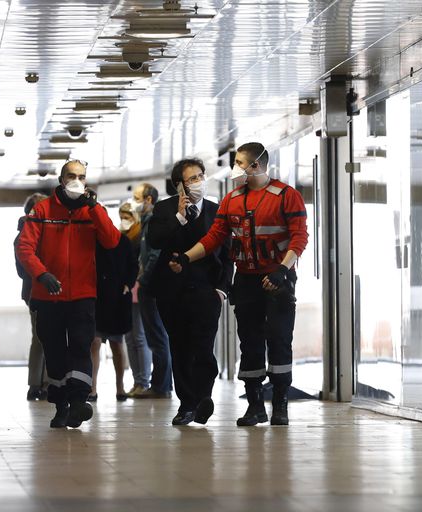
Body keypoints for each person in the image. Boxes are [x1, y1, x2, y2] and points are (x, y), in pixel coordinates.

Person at [170, 142, 308, 426]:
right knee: (250, 342)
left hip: (278, 278)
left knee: (280, 339)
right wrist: (187, 257)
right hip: (246, 280)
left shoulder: (286, 196)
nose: (236, 169)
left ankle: (280, 404)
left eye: (240, 163)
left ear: (255, 165)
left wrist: (283, 270)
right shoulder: (232, 199)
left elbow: (299, 237)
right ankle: (255, 405)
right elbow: (214, 237)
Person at [15, 159, 121, 428]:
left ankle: (78, 402)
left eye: (82, 176)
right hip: (47, 295)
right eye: (71, 176)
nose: (77, 180)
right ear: (62, 180)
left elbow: (111, 240)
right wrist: (42, 274)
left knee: (81, 346)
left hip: (83, 294)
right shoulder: (42, 210)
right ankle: (61, 404)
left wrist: (94, 207)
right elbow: (25, 248)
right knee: (55, 352)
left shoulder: (91, 210)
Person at [147, 159, 233, 425]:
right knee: (180, 347)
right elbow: (155, 240)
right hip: (172, 292)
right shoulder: (164, 209)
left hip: (207, 291)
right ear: (179, 186)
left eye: (200, 176)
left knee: (203, 345)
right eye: (192, 178)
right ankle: (187, 404)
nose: (198, 182)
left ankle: (203, 398)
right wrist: (180, 218)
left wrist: (222, 289)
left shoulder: (216, 211)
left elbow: (228, 254)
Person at [88, 203, 139, 402]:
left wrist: (127, 284)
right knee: (95, 343)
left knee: (118, 344)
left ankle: (120, 386)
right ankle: (92, 388)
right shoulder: (91, 242)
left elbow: (133, 265)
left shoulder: (123, 241)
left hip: (118, 298)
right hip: (97, 298)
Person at [132, 183, 173, 400]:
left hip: (153, 286)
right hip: (149, 285)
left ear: (149, 199)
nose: (134, 202)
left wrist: (144, 279)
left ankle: (161, 386)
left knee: (158, 337)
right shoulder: (145, 222)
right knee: (155, 337)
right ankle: (160, 385)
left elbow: (154, 255)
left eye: (137, 198)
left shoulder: (155, 222)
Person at [14, 192, 49, 401]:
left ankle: (37, 384)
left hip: (32, 291)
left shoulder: (21, 235)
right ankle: (42, 384)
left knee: (38, 338)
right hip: (37, 291)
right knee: (44, 338)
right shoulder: (28, 235)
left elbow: (20, 270)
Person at [120, 199, 151, 397]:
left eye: (127, 217)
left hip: (138, 288)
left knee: (140, 337)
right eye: (121, 217)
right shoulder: (120, 236)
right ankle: (136, 380)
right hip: (124, 291)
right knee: (129, 338)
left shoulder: (140, 234)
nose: (124, 221)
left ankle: (144, 381)